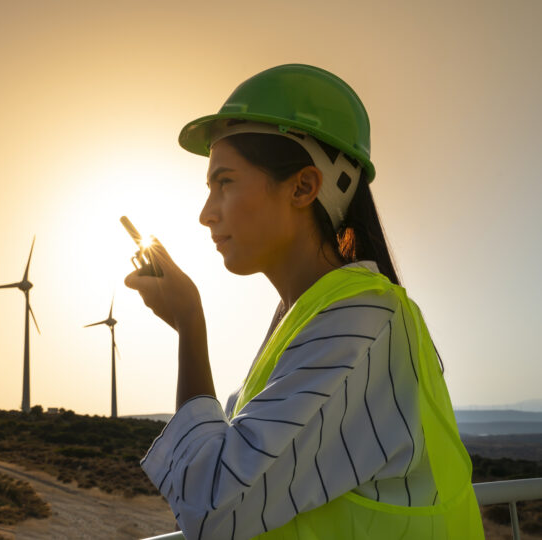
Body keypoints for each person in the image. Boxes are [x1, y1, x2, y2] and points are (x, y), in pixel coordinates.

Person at [124, 65, 484, 539]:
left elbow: (212, 508)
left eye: (224, 182)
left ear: (303, 187)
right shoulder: (315, 318)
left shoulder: (362, 323)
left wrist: (190, 325)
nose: (206, 213)